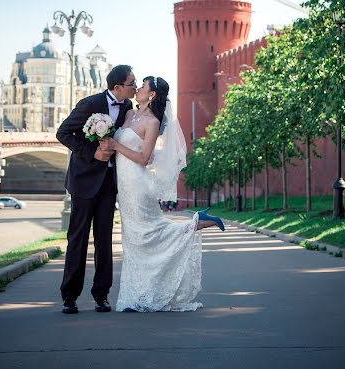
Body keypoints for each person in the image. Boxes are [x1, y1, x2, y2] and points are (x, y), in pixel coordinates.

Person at [99, 76, 224, 313]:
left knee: (148, 234)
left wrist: (115, 146)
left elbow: (144, 158)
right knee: (133, 239)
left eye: (143, 86)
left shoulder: (153, 121)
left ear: (152, 94)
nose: (137, 89)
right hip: (124, 187)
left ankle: (199, 222)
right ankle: (135, 296)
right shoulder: (128, 115)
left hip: (138, 185)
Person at [57, 65, 136, 314]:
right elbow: (63, 133)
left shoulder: (127, 108)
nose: (135, 86)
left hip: (109, 183)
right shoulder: (90, 104)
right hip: (83, 181)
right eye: (132, 83)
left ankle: (101, 295)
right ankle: (69, 296)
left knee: (104, 239)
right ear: (117, 87)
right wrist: (94, 152)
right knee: (78, 238)